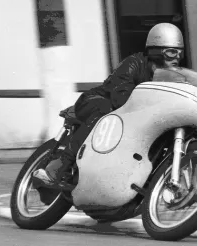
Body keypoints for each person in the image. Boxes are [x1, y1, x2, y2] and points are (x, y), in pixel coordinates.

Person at [33, 22, 185, 189]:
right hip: (97, 101)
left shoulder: (173, 77)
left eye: (179, 53)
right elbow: (120, 96)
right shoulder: (134, 63)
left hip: (133, 118)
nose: (177, 57)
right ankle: (60, 165)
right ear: (156, 51)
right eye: (171, 52)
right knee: (104, 111)